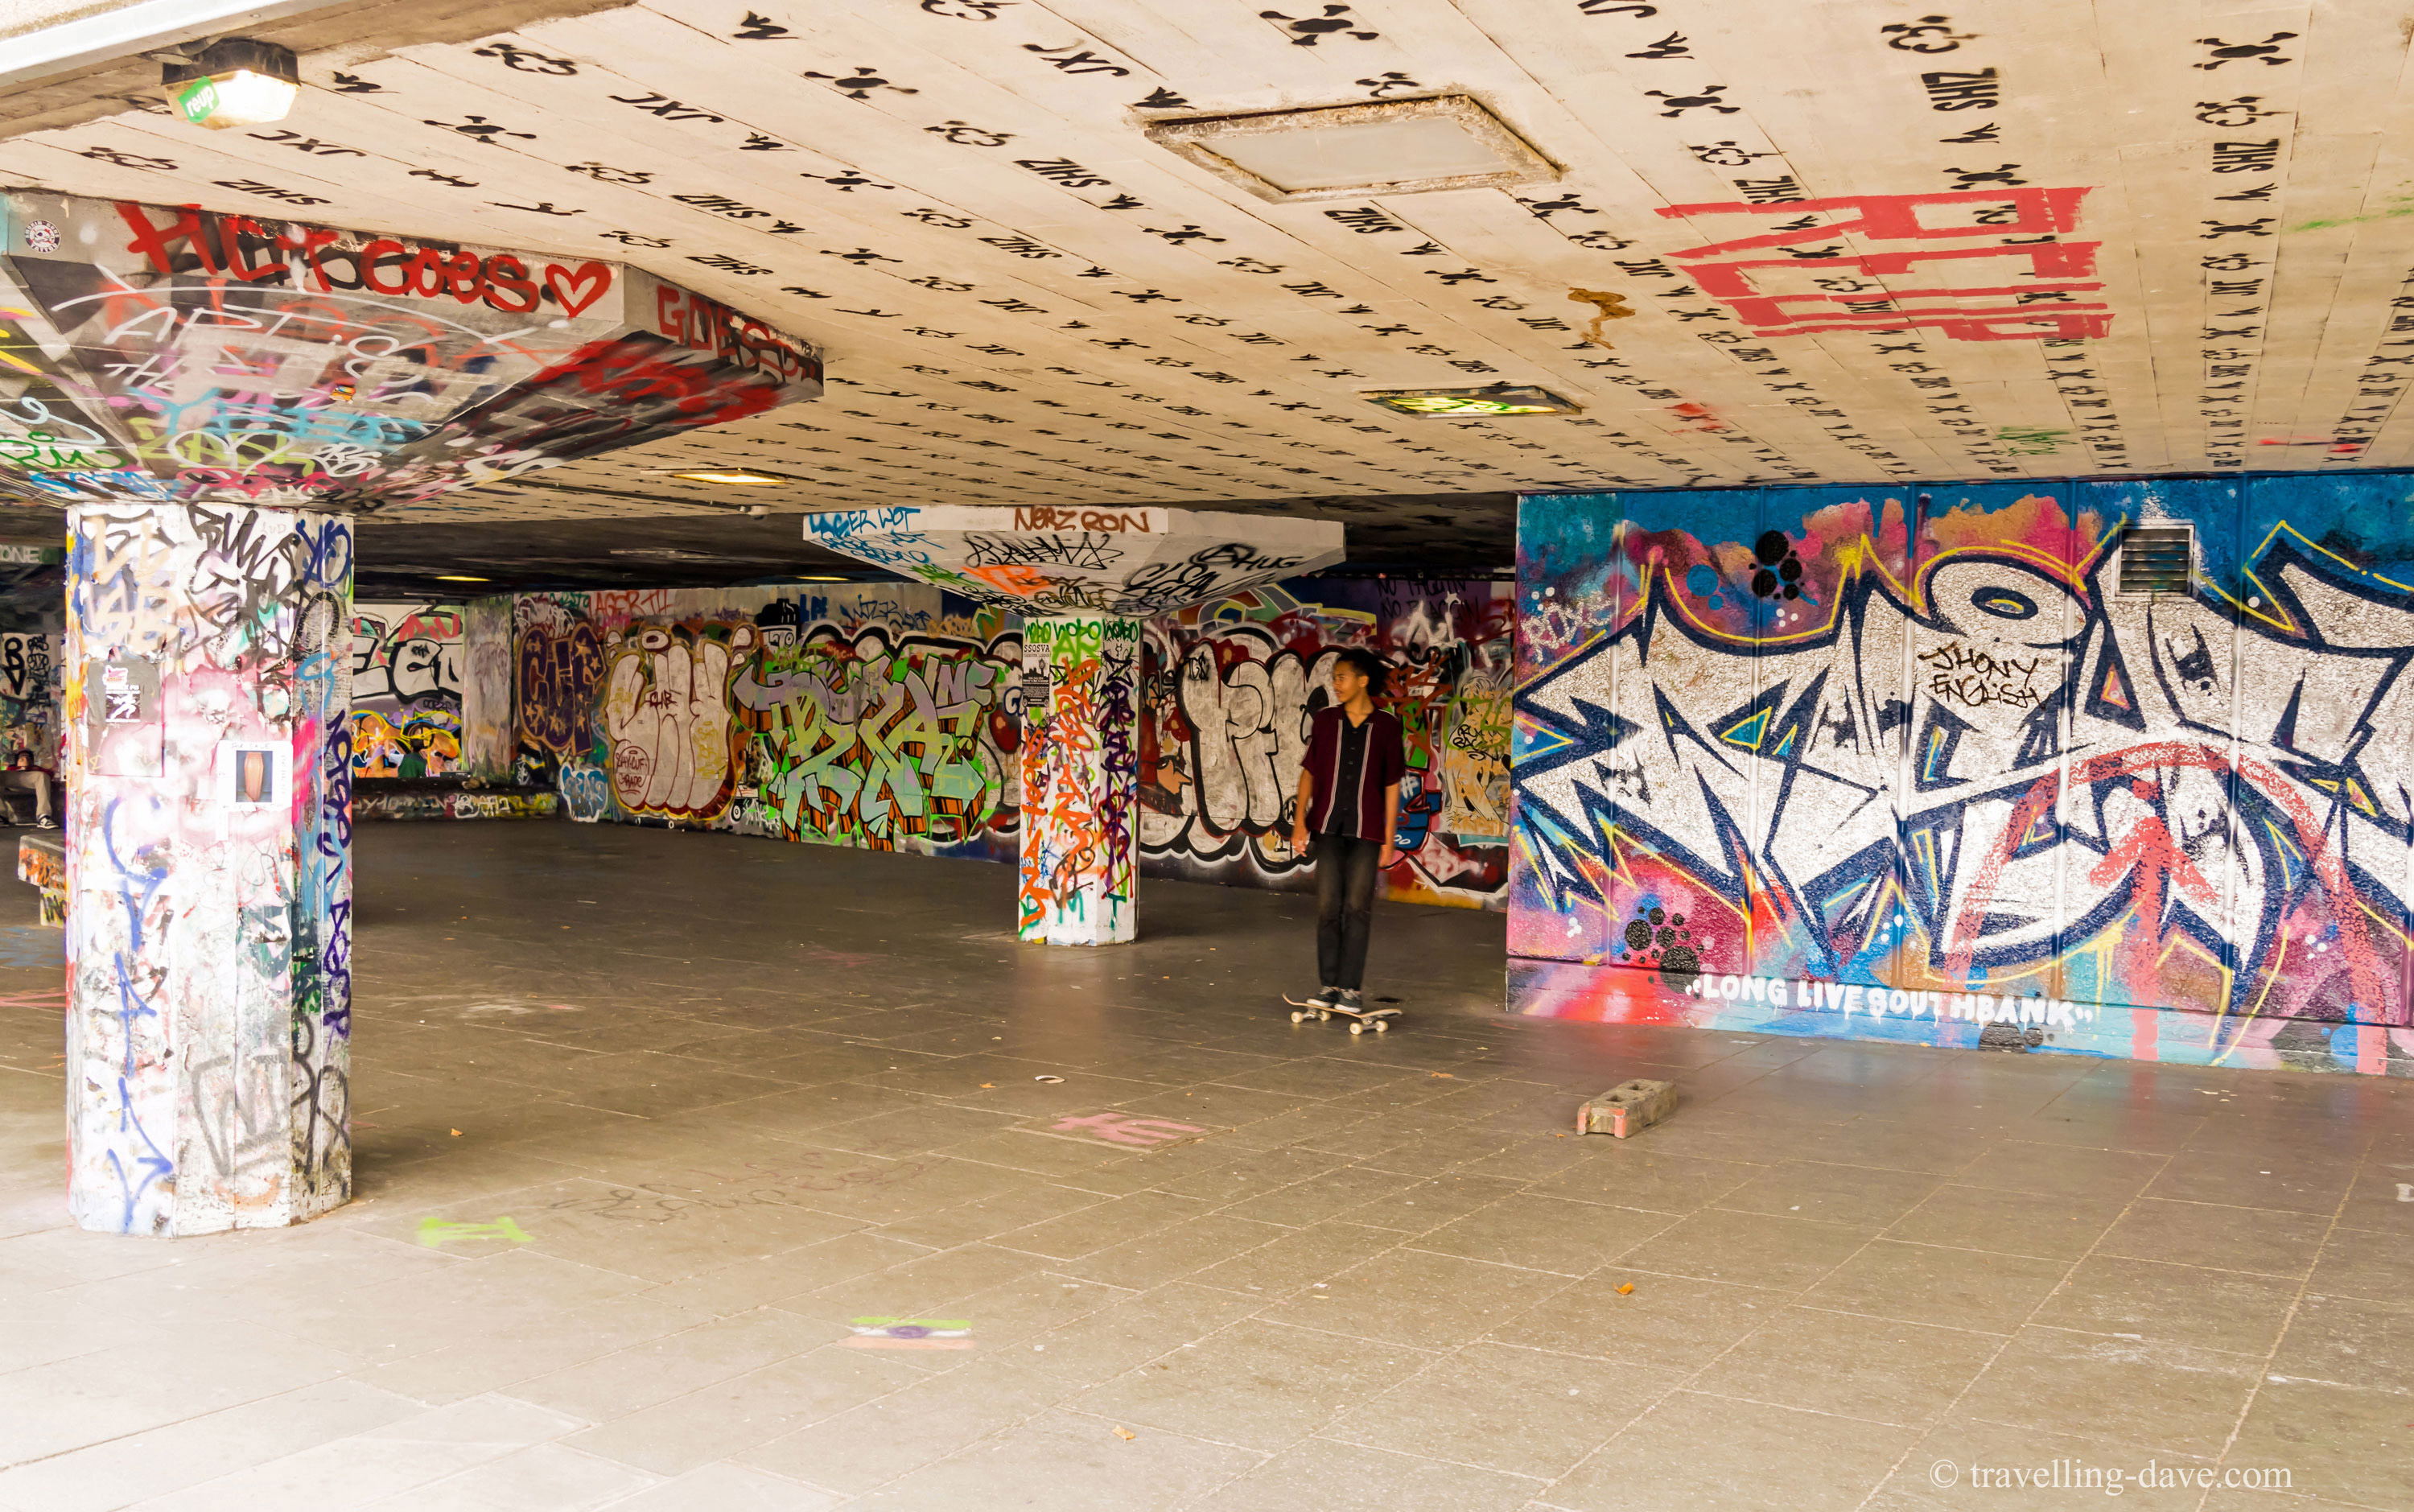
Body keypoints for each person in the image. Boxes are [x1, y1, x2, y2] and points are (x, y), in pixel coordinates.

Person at [1289, 649, 1406, 1014]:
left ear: (1362, 680)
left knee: (1357, 908)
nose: (1335, 684)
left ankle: (1351, 990)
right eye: (1335, 678)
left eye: (1341, 677)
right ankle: (1329, 985)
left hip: (1368, 834)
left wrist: (1389, 838)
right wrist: (1298, 822)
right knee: (1327, 908)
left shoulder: (1387, 726)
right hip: (1327, 829)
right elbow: (1309, 772)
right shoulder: (1325, 722)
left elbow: (1391, 786)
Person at [2, 749, 52, 828]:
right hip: (13, 781)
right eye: (22, 758)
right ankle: (1, 816)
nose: (25, 759)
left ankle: (43, 816)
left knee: (43, 776)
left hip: (29, 780)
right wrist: (20, 767)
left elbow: (50, 774)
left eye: (28, 758)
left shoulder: (36, 769)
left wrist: (30, 767)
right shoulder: (11, 768)